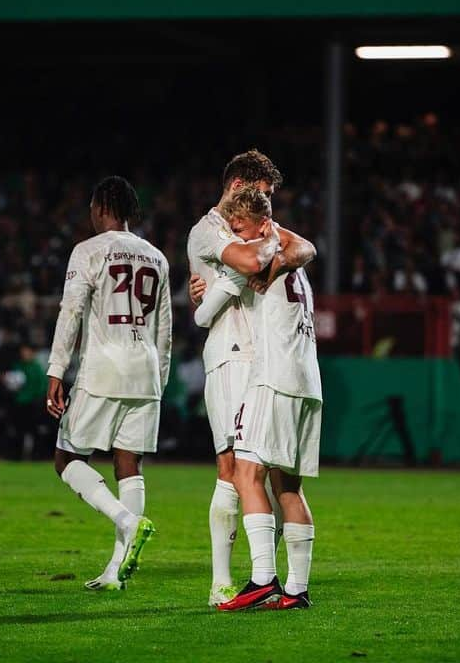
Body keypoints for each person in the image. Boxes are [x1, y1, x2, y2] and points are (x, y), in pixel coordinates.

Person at [185, 149, 316, 606]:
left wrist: (276, 254)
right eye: (263, 196)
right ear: (239, 187)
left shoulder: (261, 227)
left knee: (263, 475)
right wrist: (273, 251)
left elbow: (305, 248)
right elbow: (246, 264)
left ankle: (267, 578)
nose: (269, 208)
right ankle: (225, 581)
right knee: (235, 470)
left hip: (269, 366)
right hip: (233, 358)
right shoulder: (207, 229)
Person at [46, 176, 171, 592]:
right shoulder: (156, 257)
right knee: (128, 464)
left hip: (103, 367)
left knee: (66, 458)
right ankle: (117, 570)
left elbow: (71, 312)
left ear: (101, 207)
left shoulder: (89, 251)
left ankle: (126, 522)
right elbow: (165, 330)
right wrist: (159, 382)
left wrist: (55, 369)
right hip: (146, 371)